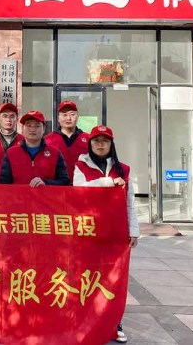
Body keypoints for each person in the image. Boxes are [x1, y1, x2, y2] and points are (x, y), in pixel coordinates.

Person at [73, 125, 140, 343]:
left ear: (112, 144)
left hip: (115, 232)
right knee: (87, 277)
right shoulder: (80, 166)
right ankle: (86, 322)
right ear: (90, 144)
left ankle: (114, 323)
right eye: (96, 141)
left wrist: (134, 230)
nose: (100, 145)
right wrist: (108, 182)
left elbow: (129, 203)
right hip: (88, 231)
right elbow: (79, 190)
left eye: (105, 141)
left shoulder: (124, 170)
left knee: (113, 280)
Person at [0, 110, 69, 186]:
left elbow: (64, 181)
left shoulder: (55, 153)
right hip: (18, 194)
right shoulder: (11, 153)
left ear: (44, 129)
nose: (32, 129)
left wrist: (46, 183)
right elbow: (4, 184)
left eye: (37, 126)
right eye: (28, 125)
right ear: (22, 128)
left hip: (46, 194)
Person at [44, 100, 90, 183]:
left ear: (77, 116)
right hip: (56, 186)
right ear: (58, 118)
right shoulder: (47, 140)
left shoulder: (89, 139)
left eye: (72, 114)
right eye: (64, 115)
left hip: (82, 186)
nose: (68, 118)